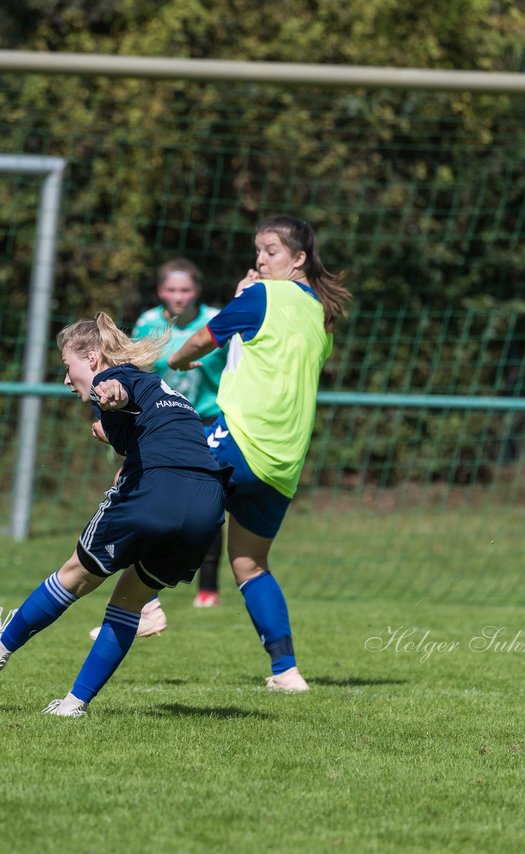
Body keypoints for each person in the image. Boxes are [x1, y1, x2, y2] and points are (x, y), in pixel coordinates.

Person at [0, 313, 230, 717]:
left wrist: (108, 394)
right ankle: (73, 704)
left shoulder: (117, 379)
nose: (65, 378)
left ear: (92, 358)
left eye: (67, 366)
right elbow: (158, 435)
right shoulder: (167, 392)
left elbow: (117, 390)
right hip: (209, 504)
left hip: (158, 491)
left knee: (75, 575)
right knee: (129, 603)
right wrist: (115, 434)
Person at [166, 215, 351, 693]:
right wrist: (245, 298)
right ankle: (286, 671)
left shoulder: (261, 296)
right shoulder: (321, 316)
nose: (260, 259)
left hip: (242, 439)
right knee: (250, 564)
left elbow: (204, 341)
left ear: (299, 258)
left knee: (160, 496)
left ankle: (142, 608)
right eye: (258, 250)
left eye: (270, 250)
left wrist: (175, 360)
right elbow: (256, 350)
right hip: (283, 462)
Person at [131, 257, 228, 610]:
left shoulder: (215, 320)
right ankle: (146, 593)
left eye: (185, 289)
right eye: (171, 289)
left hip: (207, 422)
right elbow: (134, 371)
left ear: (197, 291)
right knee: (152, 501)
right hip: (161, 424)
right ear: (160, 291)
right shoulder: (147, 324)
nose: (178, 296)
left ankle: (208, 587)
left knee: (209, 502)